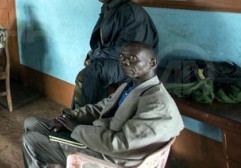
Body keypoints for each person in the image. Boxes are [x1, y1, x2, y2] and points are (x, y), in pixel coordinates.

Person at [22, 42, 183, 168]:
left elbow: (120, 144)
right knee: (31, 123)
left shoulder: (157, 105)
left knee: (31, 140)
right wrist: (71, 116)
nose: (125, 62)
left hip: (111, 158)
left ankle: (47, 155)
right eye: (122, 57)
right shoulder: (132, 86)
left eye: (132, 58)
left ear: (152, 63)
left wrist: (76, 128)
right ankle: (49, 157)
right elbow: (102, 107)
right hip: (100, 137)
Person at [72, 0, 159, 108]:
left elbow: (127, 51)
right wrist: (92, 54)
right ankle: (78, 115)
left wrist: (96, 56)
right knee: (86, 73)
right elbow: (103, 40)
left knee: (95, 71)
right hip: (115, 57)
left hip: (134, 64)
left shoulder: (131, 13)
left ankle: (88, 120)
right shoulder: (109, 7)